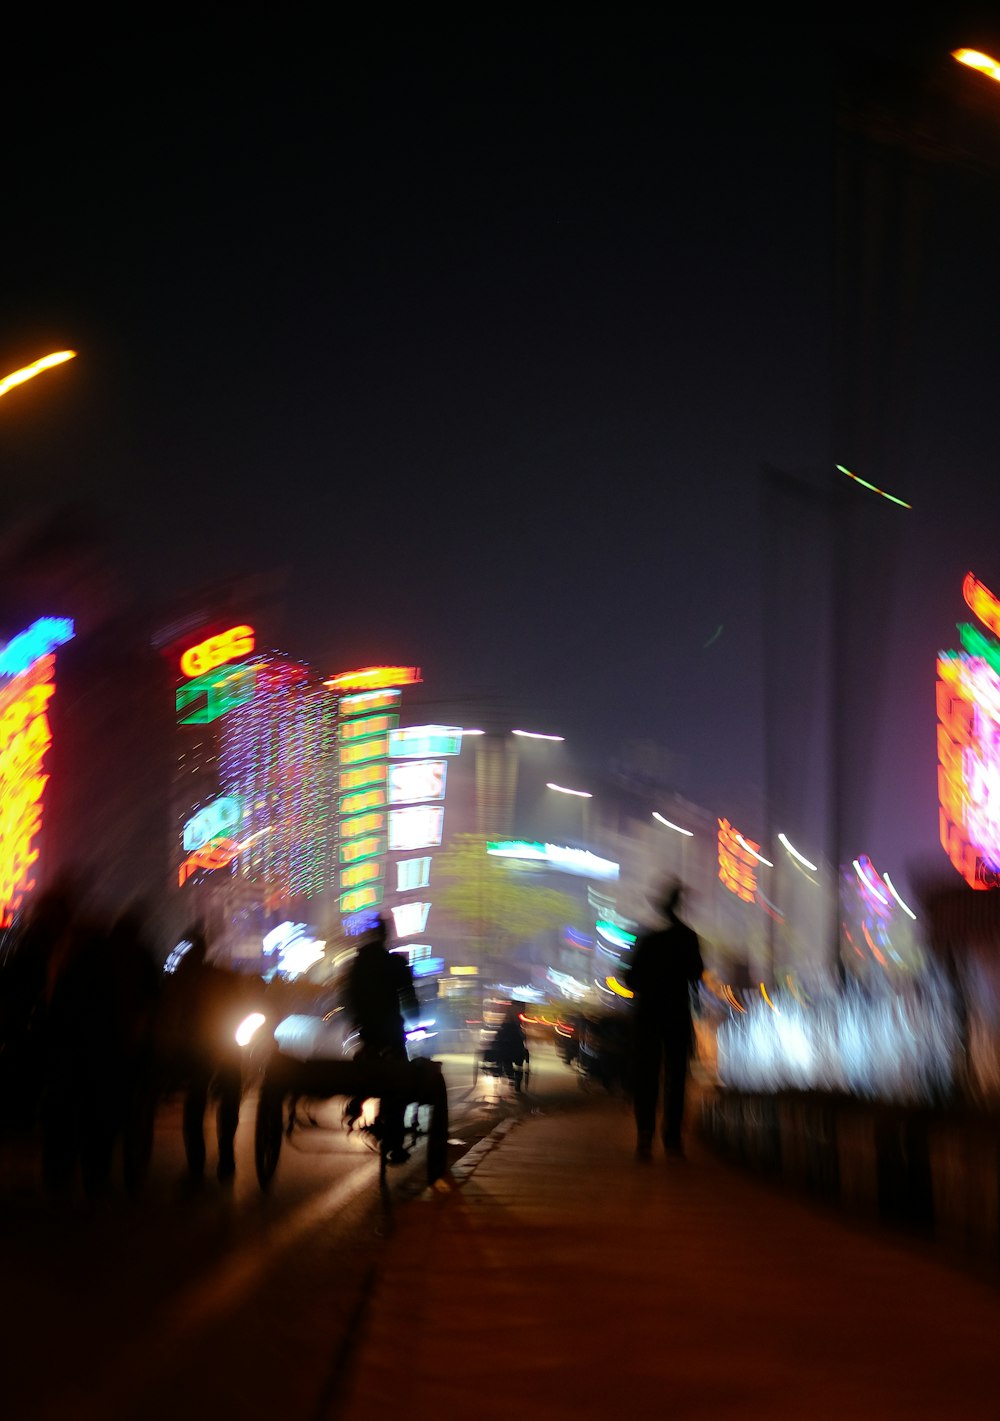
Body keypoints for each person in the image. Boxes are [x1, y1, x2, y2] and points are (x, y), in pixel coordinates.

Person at [159, 924, 256, 1183]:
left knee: (201, 1102)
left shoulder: (188, 980)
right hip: (209, 1048)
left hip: (213, 1047)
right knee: (215, 1099)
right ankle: (218, 1155)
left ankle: (205, 1160)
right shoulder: (205, 979)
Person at [623, 883, 704, 1161]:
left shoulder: (649, 941)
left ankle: (645, 1137)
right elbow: (696, 975)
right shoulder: (689, 938)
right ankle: (672, 1139)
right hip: (677, 1018)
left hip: (648, 1018)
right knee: (676, 1079)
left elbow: (630, 978)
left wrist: (649, 985)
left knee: (646, 1079)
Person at [343, 915, 419, 1164]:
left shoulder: (356, 965)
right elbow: (409, 1000)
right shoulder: (395, 964)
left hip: (367, 1034)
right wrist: (413, 1016)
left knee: (364, 1066)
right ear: (386, 936)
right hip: (391, 1035)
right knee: (401, 1084)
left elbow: (348, 999)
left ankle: (357, 1100)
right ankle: (396, 1144)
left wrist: (355, 1021)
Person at [486, 1003, 528, 1092]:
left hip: (508, 1035)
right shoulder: (520, 1009)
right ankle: (514, 1078)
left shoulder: (510, 1009)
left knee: (502, 1052)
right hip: (514, 1037)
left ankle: (509, 1073)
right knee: (517, 1061)